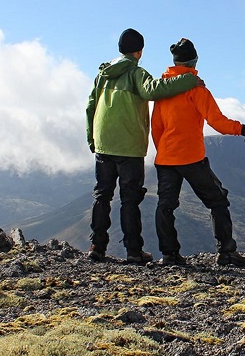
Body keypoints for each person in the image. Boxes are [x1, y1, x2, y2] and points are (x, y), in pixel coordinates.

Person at [85, 28, 203, 264]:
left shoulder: (103, 74)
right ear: (139, 51)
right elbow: (155, 90)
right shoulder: (136, 73)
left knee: (102, 195)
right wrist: (189, 78)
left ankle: (97, 247)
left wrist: (92, 138)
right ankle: (133, 251)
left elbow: (91, 106)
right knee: (129, 199)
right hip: (129, 146)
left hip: (103, 143)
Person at [151, 37, 245, 267]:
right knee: (217, 200)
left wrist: (165, 151)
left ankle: (170, 255)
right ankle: (226, 252)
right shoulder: (196, 89)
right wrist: (242, 129)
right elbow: (217, 122)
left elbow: (156, 127)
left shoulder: (163, 90)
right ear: (194, 61)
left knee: (165, 205)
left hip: (166, 157)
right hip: (191, 157)